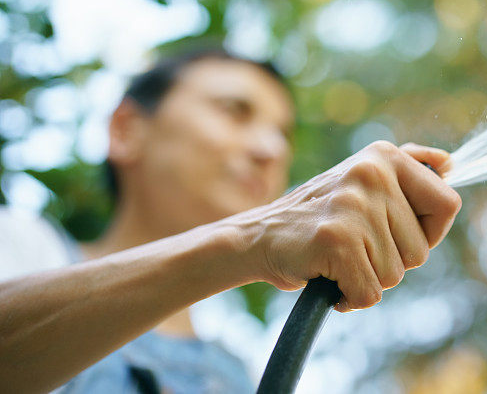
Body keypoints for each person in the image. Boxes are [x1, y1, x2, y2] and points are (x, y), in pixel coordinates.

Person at [0, 48, 462, 393]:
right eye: (234, 112)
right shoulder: (21, 243)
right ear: (127, 130)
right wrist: (249, 239)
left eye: (282, 135)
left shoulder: (235, 379)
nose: (271, 150)